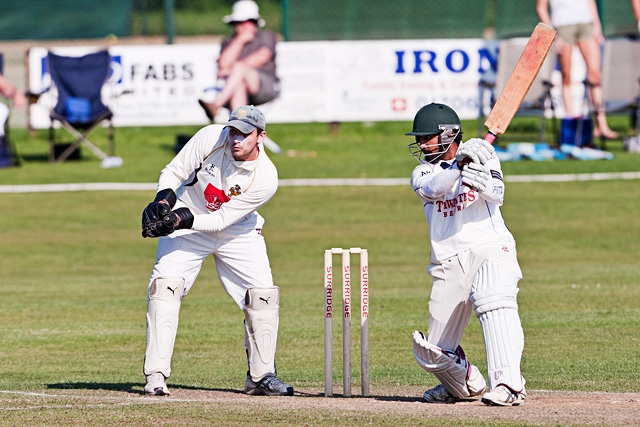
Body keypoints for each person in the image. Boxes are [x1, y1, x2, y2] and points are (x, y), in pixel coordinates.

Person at [140, 105, 293, 397]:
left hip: (237, 231)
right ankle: (156, 375)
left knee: (263, 296)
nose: (236, 139)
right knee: (164, 289)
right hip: (187, 223)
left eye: (245, 135)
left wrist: (180, 219)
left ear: (261, 136)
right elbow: (174, 171)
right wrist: (162, 202)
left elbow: (222, 219)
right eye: (233, 130)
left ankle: (261, 377)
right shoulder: (212, 136)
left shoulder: (266, 178)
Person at [406, 103, 526, 406]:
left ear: (449, 134)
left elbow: (498, 193)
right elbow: (434, 189)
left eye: (426, 138)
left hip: (489, 247)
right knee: (431, 352)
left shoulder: (484, 155)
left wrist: (480, 178)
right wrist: (459, 167)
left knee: (492, 297)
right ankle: (465, 385)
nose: (421, 144)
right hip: (448, 261)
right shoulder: (423, 171)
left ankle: (509, 385)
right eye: (419, 139)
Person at [536, 0, 618, 141]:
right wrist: (552, 35)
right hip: (562, 25)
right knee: (567, 76)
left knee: (595, 75)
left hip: (586, 23)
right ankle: (572, 125)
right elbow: (541, 7)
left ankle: (601, 125)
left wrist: (597, 25)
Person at [198, 0, 278, 122]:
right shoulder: (229, 42)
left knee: (239, 67)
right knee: (239, 84)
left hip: (264, 86)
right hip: (235, 87)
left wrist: (232, 70)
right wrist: (240, 41)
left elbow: (262, 57)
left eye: (244, 22)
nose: (239, 26)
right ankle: (240, 128)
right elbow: (223, 64)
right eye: (236, 23)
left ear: (254, 22)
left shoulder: (266, 36)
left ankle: (215, 106)